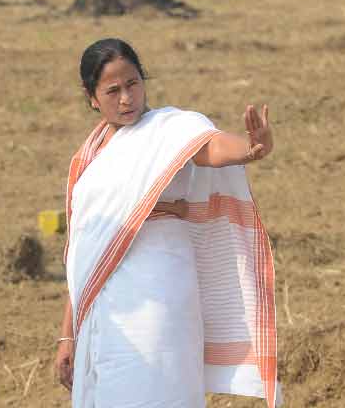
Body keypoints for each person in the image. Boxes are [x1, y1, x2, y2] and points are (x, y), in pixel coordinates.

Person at [55, 38, 280, 408]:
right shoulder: (88, 156)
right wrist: (67, 336)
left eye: (133, 84)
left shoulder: (171, 129)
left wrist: (252, 148)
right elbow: (84, 253)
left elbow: (210, 149)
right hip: (102, 309)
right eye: (113, 91)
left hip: (160, 289)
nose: (126, 98)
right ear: (91, 96)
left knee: (157, 388)